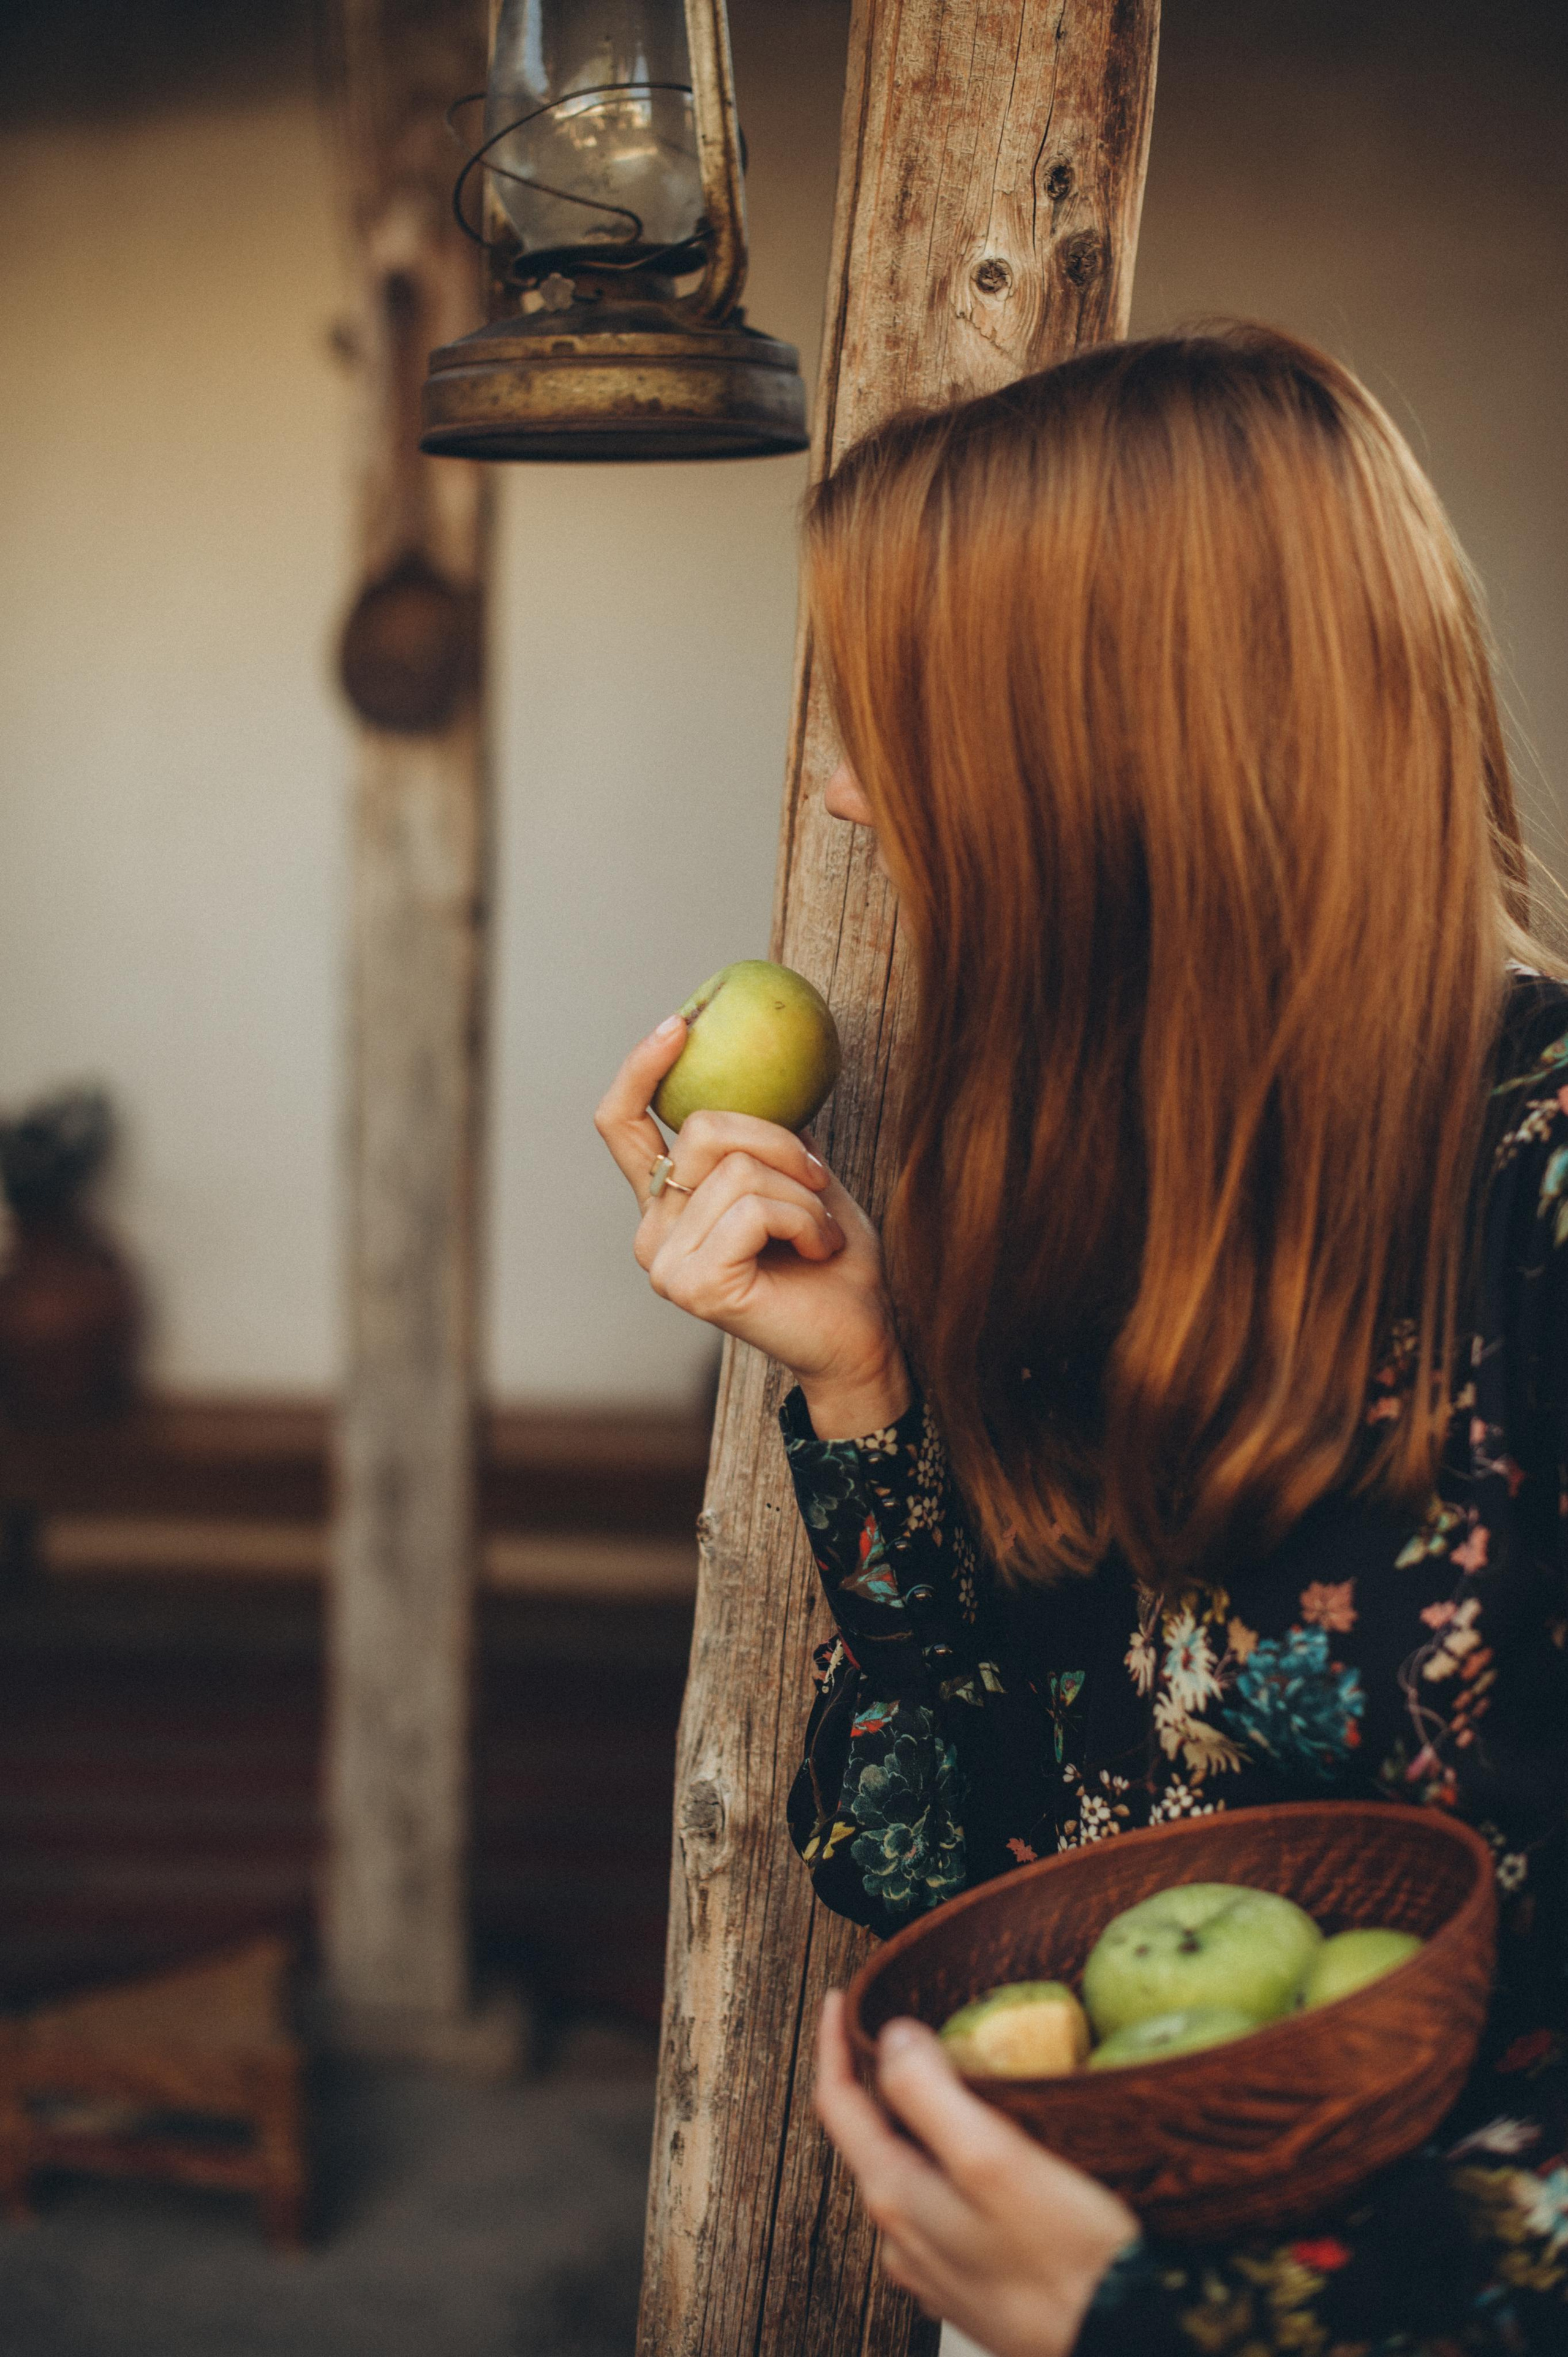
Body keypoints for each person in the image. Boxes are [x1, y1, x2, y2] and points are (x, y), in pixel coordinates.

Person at [595, 325, 1568, 2356]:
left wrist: (1147, 2324)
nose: (850, 799)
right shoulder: (1124, 1188)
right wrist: (860, 1381)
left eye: (900, 725)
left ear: (1119, 755)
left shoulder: (1539, 1195)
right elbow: (940, 1853)